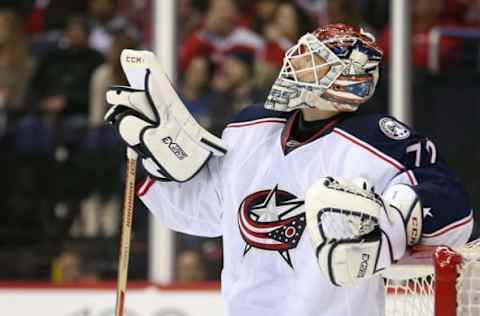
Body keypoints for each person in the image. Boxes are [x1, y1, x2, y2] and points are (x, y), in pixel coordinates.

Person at [105, 24, 473, 316]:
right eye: (299, 58)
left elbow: (453, 212)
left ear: (348, 79)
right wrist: (158, 158)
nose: (295, 68)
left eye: (313, 63)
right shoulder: (249, 128)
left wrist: (390, 226)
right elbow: (204, 215)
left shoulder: (382, 142)